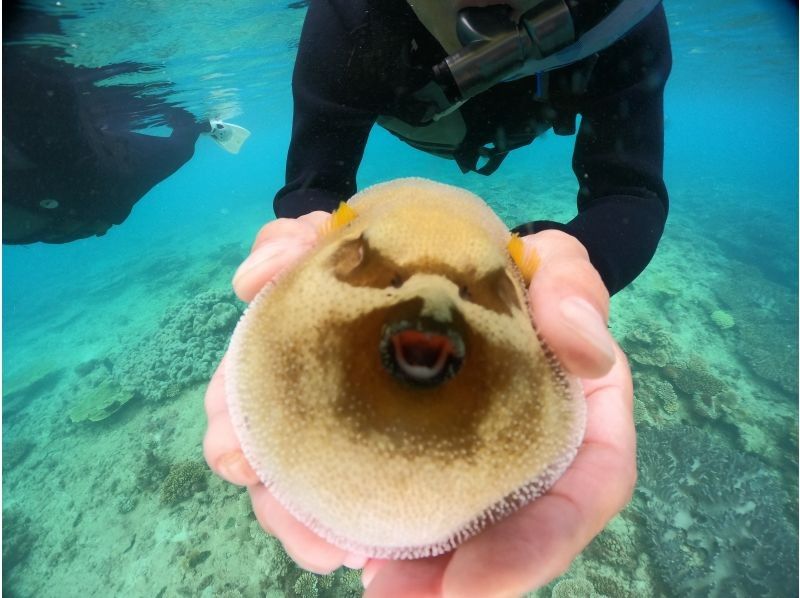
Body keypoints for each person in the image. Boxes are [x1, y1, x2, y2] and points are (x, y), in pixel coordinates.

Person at [205, 0, 670, 595]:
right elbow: (315, 182)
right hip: (415, 114)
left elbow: (628, 189)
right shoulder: (350, 21)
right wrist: (308, 242)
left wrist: (566, 263)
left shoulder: (624, 18)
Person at [3, 7, 250, 245]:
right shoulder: (105, 176)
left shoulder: (100, 175)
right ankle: (199, 125)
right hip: (94, 190)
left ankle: (200, 126)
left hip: (92, 190)